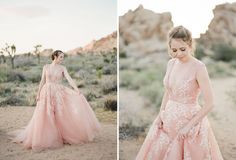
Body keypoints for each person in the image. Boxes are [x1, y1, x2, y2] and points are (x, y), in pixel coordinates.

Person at [136, 26, 223, 160]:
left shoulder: (199, 67)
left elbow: (210, 103)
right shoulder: (171, 64)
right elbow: (168, 92)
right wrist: (161, 114)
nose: (178, 54)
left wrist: (188, 127)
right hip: (168, 120)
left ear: (189, 44)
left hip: (189, 123)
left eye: (182, 49)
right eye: (174, 50)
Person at [9, 50, 101, 151]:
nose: (62, 59)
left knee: (59, 114)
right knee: (45, 114)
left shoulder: (62, 68)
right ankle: (46, 137)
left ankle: (61, 135)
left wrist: (77, 90)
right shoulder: (46, 67)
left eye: (63, 57)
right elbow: (42, 81)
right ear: (55, 57)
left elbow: (69, 79)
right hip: (46, 92)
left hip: (58, 93)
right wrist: (38, 93)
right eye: (61, 57)